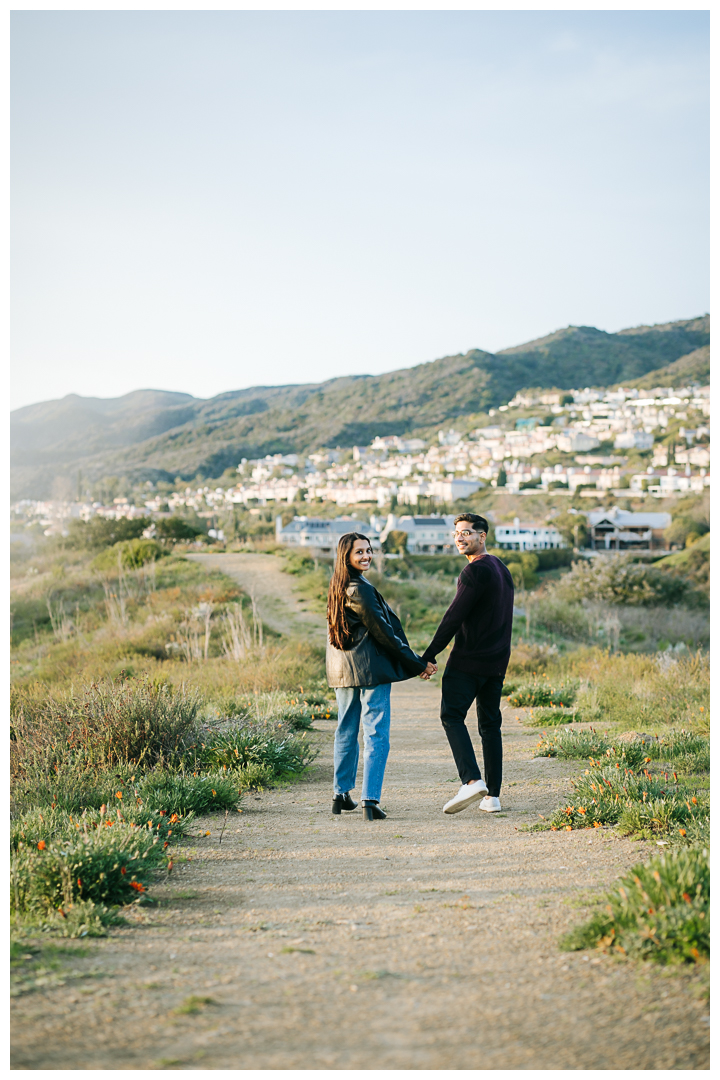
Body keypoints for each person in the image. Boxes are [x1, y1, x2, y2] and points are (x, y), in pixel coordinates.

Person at [326, 532, 436, 821]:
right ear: (346, 556)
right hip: (369, 668)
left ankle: (341, 795)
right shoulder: (358, 589)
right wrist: (417, 663)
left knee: (346, 729)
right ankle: (370, 800)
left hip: (342, 669)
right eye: (359, 552)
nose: (366, 556)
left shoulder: (338, 586)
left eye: (368, 550)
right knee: (376, 732)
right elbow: (384, 633)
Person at [421, 514, 514, 815]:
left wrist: (429, 654)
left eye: (467, 533)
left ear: (482, 536)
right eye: (457, 534)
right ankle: (493, 797)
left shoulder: (474, 572)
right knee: (490, 725)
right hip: (496, 663)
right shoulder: (502, 569)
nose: (460, 539)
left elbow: (453, 616)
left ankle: (472, 780)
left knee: (451, 715)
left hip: (469, 662)